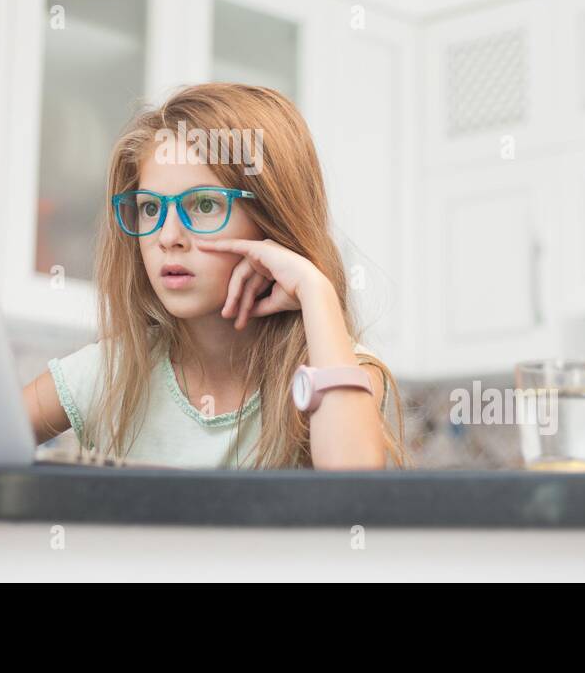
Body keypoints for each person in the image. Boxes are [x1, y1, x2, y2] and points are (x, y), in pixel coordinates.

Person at [21, 82, 410, 469]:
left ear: (272, 222)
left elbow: (353, 486)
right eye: (150, 208)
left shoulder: (338, 363)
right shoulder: (115, 370)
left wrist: (315, 289)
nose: (168, 237)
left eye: (204, 204)